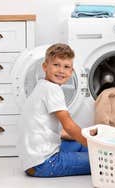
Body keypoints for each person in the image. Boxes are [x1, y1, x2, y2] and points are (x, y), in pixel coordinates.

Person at [18, 43, 90, 177]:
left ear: (71, 72)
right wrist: (93, 145)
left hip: (32, 161)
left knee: (77, 143)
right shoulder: (53, 89)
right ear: (45, 67)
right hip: (46, 163)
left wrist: (85, 137)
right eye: (56, 65)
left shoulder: (41, 85)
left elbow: (47, 128)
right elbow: (69, 126)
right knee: (98, 160)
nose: (61, 70)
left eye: (66, 66)